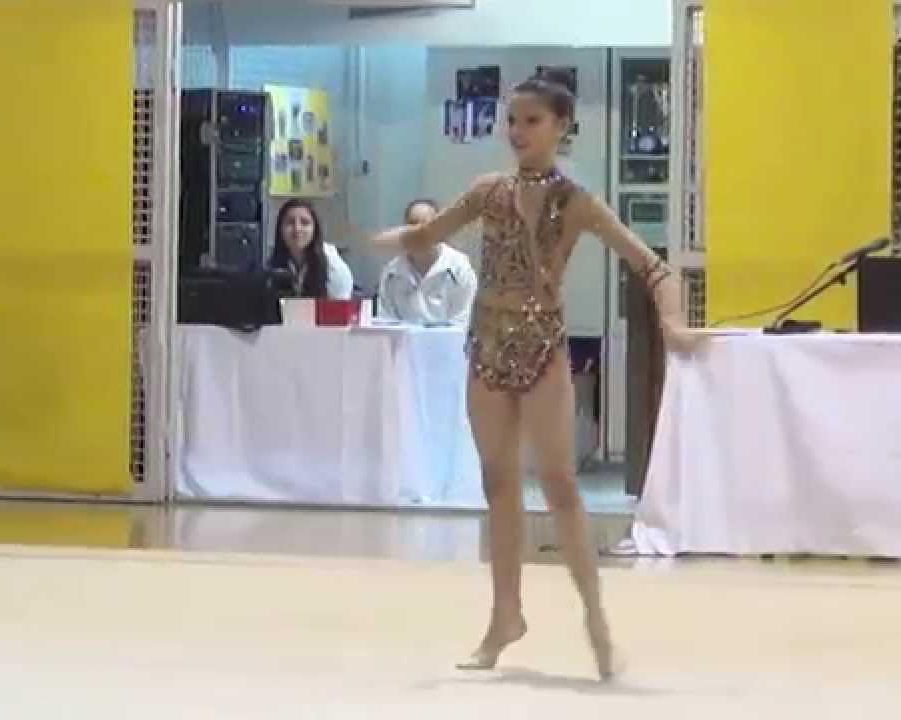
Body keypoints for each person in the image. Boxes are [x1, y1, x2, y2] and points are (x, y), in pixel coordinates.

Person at [374, 77, 699, 681]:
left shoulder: (577, 202)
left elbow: (654, 268)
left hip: (543, 348)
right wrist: (391, 238)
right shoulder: (487, 191)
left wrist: (673, 324)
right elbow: (427, 234)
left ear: (561, 127)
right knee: (498, 483)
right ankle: (505, 615)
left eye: (532, 121)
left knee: (559, 484)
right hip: (487, 347)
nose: (518, 132)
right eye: (513, 121)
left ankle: (595, 616)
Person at [377, 199, 478, 325]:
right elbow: (385, 323)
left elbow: (462, 324)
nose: (419, 232)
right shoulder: (391, 273)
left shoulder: (460, 269)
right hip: (402, 338)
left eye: (426, 225)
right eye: (413, 224)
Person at [267, 198, 353, 300]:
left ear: (315, 229)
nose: (297, 229)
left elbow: (339, 307)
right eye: (290, 222)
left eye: (305, 223)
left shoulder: (334, 269)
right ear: (280, 229)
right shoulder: (273, 264)